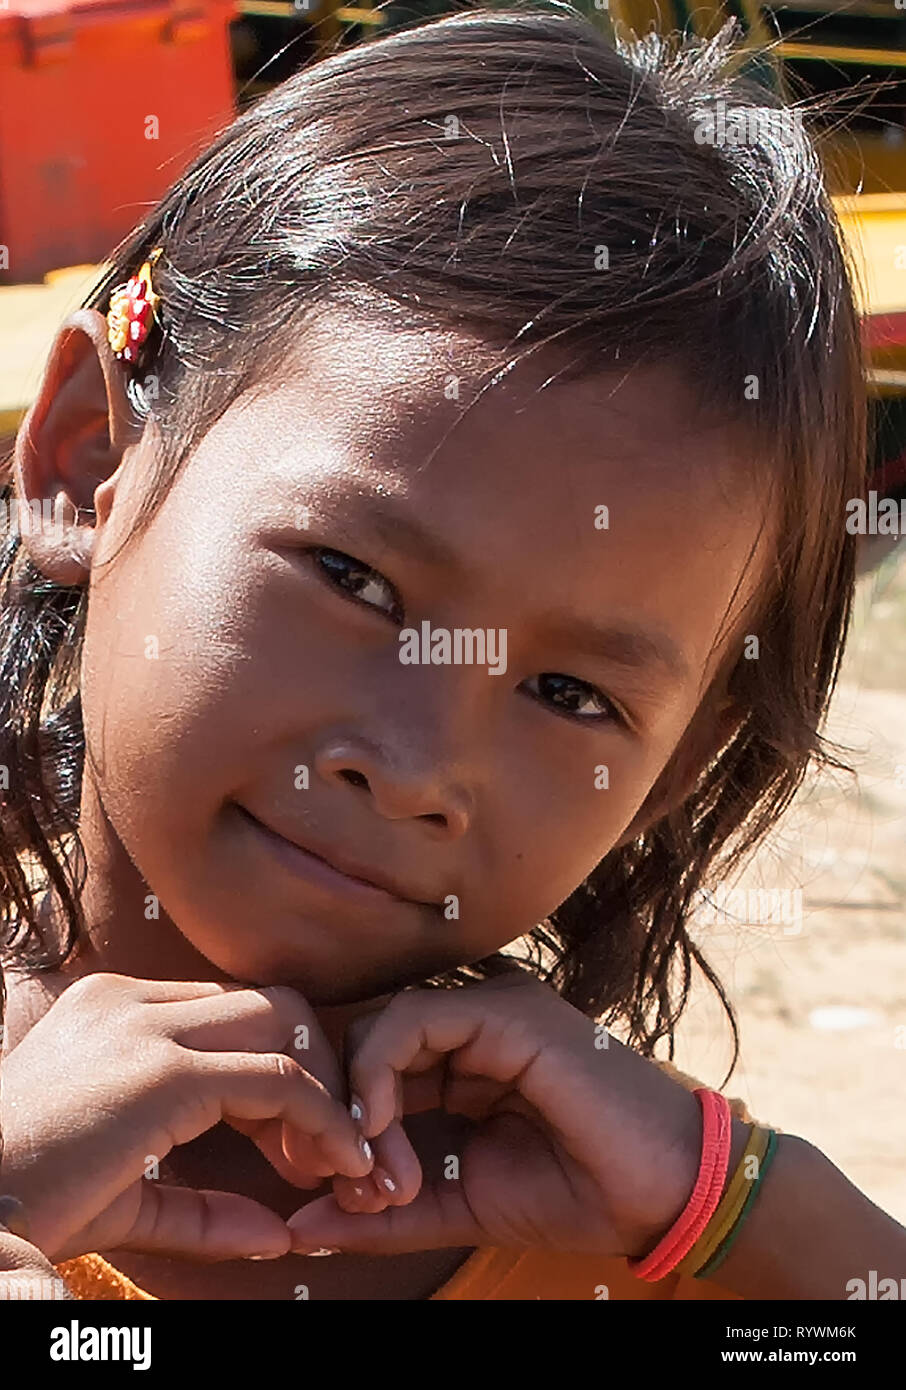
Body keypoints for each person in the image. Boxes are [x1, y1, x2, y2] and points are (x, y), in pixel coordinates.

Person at [0, 6, 903, 1301]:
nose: (420, 765)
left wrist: (748, 1198)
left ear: (673, 763)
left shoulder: (648, 1231)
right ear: (91, 456)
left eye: (568, 693)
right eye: (353, 579)